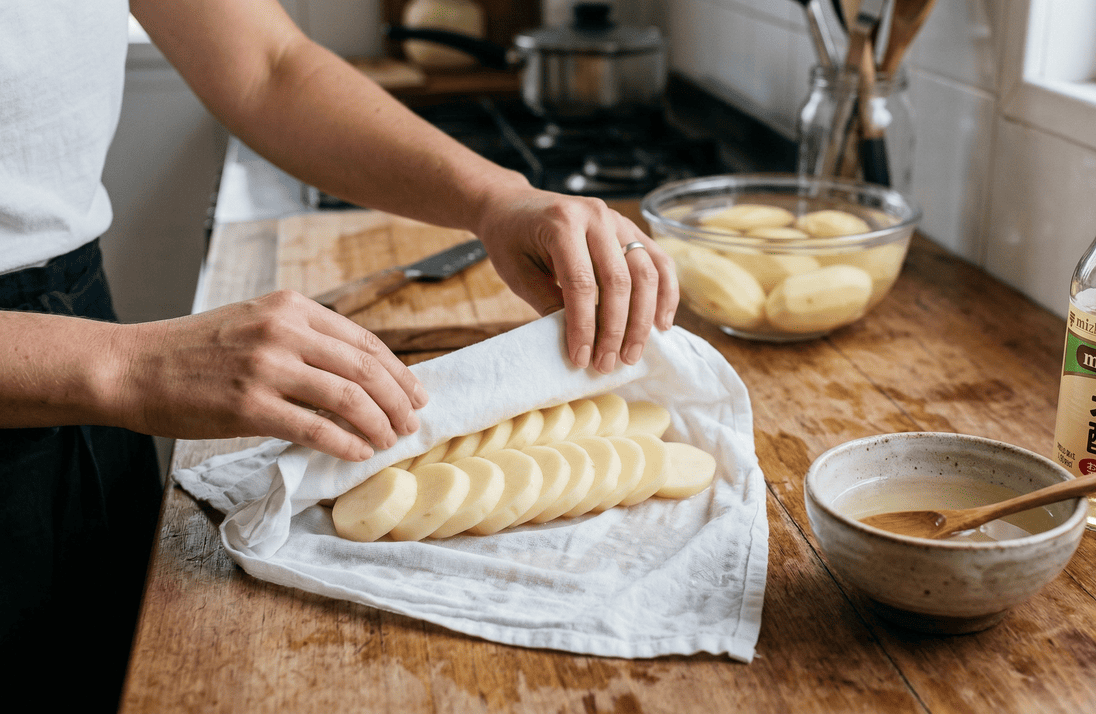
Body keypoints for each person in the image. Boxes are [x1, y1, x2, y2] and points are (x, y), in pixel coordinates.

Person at [0, 0, 677, 709]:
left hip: (75, 331)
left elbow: (269, 67)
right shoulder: (117, 369)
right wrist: (125, 365)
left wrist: (497, 198)